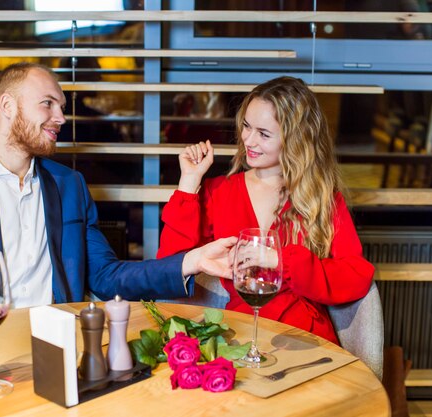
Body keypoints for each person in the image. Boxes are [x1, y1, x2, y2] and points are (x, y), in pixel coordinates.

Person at [0, 62, 237, 343]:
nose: (61, 118)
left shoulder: (69, 185)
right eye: (48, 104)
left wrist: (193, 261)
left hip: (58, 344)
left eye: (61, 106)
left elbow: (106, 276)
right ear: (8, 106)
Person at [157, 76, 375, 345]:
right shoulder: (219, 192)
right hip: (241, 334)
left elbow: (356, 278)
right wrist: (189, 183)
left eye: (264, 133)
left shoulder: (322, 199)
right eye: (246, 126)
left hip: (305, 338)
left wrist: (281, 261)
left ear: (296, 139)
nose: (248, 140)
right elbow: (169, 265)